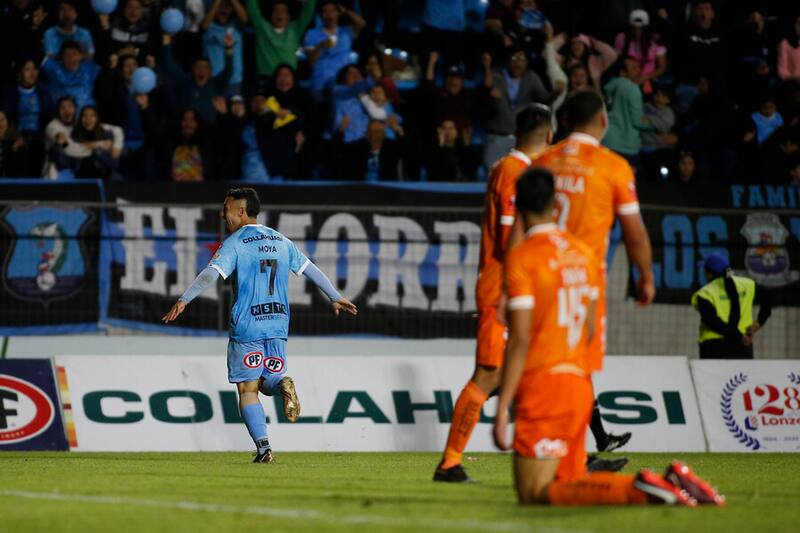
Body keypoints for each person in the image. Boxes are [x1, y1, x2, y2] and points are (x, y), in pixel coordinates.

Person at [493, 167, 723, 507]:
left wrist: (502, 408)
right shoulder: (582, 254)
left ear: (520, 210)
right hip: (579, 385)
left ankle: (640, 488)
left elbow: (521, 339)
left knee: (533, 494)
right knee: (569, 482)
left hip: (544, 386)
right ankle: (666, 482)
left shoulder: (522, 260)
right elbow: (588, 328)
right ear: (556, 204)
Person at [162, 187, 357, 462]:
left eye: (226, 209)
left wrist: (184, 299)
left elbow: (210, 274)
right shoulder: (281, 240)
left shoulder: (236, 242)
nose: (222, 214)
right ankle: (282, 385)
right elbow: (309, 268)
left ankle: (264, 448)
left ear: (241, 211)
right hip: (278, 323)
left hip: (248, 325)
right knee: (267, 380)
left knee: (247, 389)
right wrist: (335, 297)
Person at [531, 90, 656, 456]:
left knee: (549, 364)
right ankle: (569, 456)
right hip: (582, 285)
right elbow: (634, 231)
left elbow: (521, 223)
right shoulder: (613, 166)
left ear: (565, 122)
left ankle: (559, 448)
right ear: (604, 122)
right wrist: (645, 276)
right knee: (577, 367)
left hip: (540, 276)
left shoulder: (542, 162)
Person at [434, 103, 553, 483]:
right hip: (503, 287)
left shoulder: (516, 170)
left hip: (515, 287)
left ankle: (566, 458)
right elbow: (509, 238)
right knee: (487, 376)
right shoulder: (513, 172)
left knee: (535, 372)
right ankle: (450, 463)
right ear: (548, 135)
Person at [691, 253, 772, 359]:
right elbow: (768, 297)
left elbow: (712, 322)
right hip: (742, 346)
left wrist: (738, 336)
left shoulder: (705, 293)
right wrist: (759, 322)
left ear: (709, 273)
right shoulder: (747, 285)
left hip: (714, 346)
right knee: (741, 376)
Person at [483, 48, 551, 167]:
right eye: (514, 58)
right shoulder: (496, 75)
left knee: (520, 175)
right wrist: (486, 67)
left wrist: (557, 92)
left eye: (521, 59)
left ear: (526, 62)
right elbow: (486, 88)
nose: (518, 63)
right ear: (508, 60)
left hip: (521, 139)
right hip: (497, 137)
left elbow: (544, 99)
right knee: (493, 175)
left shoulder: (531, 78)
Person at [160, 32, 234, 123]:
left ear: (210, 72)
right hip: (187, 130)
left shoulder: (216, 85)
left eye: (205, 67)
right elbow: (169, 63)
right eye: (198, 66)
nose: (201, 69)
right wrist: (166, 35)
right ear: (192, 70)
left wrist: (229, 47)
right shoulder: (185, 82)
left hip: (208, 131)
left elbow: (228, 70)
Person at [303, 1, 366, 99]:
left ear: (338, 13)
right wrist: (320, 46)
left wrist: (346, 11)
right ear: (320, 15)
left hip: (343, 83)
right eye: (325, 11)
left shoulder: (346, 31)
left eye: (332, 11)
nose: (329, 14)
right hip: (320, 85)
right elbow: (311, 62)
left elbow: (362, 23)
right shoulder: (312, 34)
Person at [246, 0, 317, 79]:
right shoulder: (262, 28)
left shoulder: (295, 30)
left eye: (283, 11)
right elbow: (252, 8)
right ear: (271, 16)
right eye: (276, 11)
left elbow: (308, 12)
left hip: (288, 78)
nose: (279, 13)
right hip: (266, 77)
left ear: (288, 17)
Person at [602, 56, 646, 171]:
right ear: (622, 72)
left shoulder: (609, 87)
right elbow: (638, 121)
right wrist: (660, 124)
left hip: (606, 142)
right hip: (625, 146)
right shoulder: (631, 88)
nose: (638, 71)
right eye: (634, 68)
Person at [613, 10, 667, 95]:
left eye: (640, 28)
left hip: (648, 77)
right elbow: (616, 60)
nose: (637, 31)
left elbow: (662, 67)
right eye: (634, 28)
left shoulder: (655, 41)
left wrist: (646, 77)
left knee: (644, 91)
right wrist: (625, 75)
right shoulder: (621, 38)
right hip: (627, 76)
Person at [201, 0, 249, 97]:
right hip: (213, 80)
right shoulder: (209, 26)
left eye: (227, 6)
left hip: (234, 81)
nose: (223, 9)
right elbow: (204, 26)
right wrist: (217, 3)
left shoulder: (236, 25)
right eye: (220, 6)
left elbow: (244, 18)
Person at [40, 40, 101, 112]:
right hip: (60, 119)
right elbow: (38, 56)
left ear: (81, 56)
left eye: (74, 53)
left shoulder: (89, 68)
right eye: (67, 54)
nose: (71, 58)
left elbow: (105, 58)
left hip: (87, 119)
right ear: (61, 57)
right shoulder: (53, 68)